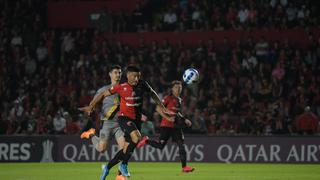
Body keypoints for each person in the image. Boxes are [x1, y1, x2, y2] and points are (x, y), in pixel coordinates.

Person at [79, 65, 173, 180]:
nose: (137, 79)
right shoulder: (121, 87)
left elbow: (152, 93)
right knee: (136, 138)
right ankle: (123, 166)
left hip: (136, 121)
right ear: (128, 75)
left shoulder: (142, 84)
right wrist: (91, 106)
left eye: (138, 76)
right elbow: (103, 94)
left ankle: (108, 168)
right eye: (134, 76)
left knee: (125, 150)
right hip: (123, 119)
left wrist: (162, 106)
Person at [79, 65, 130, 174]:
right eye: (115, 72)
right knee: (101, 149)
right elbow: (94, 102)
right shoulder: (103, 90)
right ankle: (91, 134)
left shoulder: (124, 88)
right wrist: (90, 109)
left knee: (124, 149)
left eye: (119, 73)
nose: (118, 75)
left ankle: (120, 174)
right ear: (110, 74)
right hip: (107, 123)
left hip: (120, 123)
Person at [137, 80, 195, 173]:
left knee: (181, 145)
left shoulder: (179, 100)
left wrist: (184, 119)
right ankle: (146, 141)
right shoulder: (168, 98)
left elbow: (177, 113)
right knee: (160, 146)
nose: (178, 89)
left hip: (176, 126)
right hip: (166, 126)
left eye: (180, 88)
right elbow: (158, 109)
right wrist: (167, 118)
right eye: (176, 87)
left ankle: (184, 167)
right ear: (172, 89)